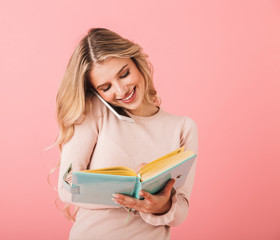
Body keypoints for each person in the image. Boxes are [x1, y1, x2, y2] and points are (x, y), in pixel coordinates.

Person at [55, 27, 198, 240]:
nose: (122, 91)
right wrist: (130, 194)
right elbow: (67, 188)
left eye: (124, 74)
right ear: (96, 91)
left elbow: (181, 212)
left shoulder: (183, 128)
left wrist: (162, 206)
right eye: (106, 87)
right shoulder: (94, 111)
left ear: (136, 62)